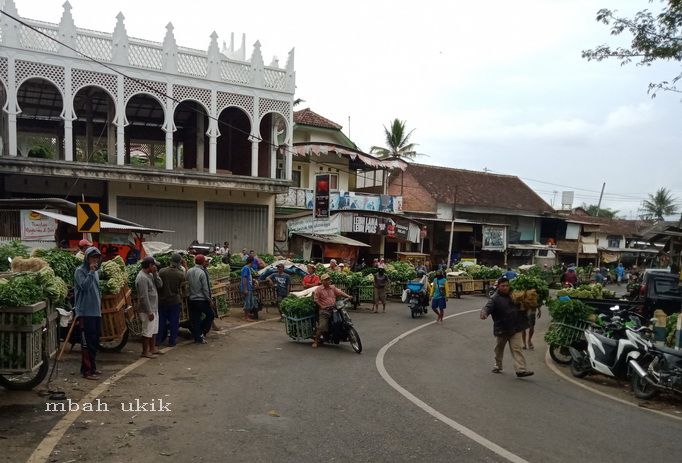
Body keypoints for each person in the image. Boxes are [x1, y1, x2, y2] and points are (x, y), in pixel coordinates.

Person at [480, 277, 533, 377]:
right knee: (499, 349)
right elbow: (487, 308)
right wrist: (484, 313)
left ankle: (520, 370)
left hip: (516, 327)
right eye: (503, 286)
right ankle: (498, 366)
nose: (505, 287)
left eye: (507, 285)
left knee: (517, 348)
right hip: (502, 329)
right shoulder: (494, 299)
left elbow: (526, 303)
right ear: (498, 287)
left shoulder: (515, 295)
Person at [73, 246, 103, 380]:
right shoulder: (80, 271)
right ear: (87, 258)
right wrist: (91, 272)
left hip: (95, 312)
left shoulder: (95, 272)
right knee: (86, 343)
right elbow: (84, 287)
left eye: (96, 258)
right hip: (85, 312)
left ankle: (93, 367)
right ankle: (86, 371)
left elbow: (96, 290)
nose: (94, 260)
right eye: (92, 257)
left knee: (95, 341)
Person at [312, 274, 351, 348]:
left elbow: (340, 292)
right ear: (322, 281)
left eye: (328, 280)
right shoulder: (319, 289)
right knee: (322, 326)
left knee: (344, 320)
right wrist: (322, 306)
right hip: (324, 310)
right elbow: (316, 300)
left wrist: (348, 296)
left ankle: (342, 335)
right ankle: (316, 341)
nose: (328, 281)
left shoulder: (332, 287)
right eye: (326, 280)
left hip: (334, 309)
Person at [135, 256, 164, 358]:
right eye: (154, 265)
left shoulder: (150, 275)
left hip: (154, 307)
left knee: (154, 330)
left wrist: (155, 273)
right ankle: (145, 352)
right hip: (147, 309)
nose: (155, 267)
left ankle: (153, 348)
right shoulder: (142, 277)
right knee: (147, 330)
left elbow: (160, 285)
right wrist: (149, 312)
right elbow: (143, 297)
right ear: (150, 265)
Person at [157, 253, 186, 347]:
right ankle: (172, 341)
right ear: (179, 263)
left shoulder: (161, 271)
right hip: (174, 301)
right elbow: (183, 289)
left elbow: (158, 285)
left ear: (170, 261)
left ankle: (158, 340)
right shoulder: (180, 274)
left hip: (162, 301)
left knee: (161, 321)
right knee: (174, 322)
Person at [187, 254, 215, 343]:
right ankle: (201, 332)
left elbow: (187, 284)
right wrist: (209, 300)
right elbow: (205, 288)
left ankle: (198, 337)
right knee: (211, 314)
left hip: (191, 299)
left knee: (196, 319)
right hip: (201, 299)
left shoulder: (189, 271)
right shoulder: (202, 272)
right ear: (203, 262)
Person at [241, 256, 259, 320]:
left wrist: (254, 280)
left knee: (250, 303)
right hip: (247, 288)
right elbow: (244, 279)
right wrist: (245, 289)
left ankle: (247, 315)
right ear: (252, 262)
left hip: (250, 288)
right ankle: (246, 317)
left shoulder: (248, 268)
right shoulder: (246, 268)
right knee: (247, 303)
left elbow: (249, 278)